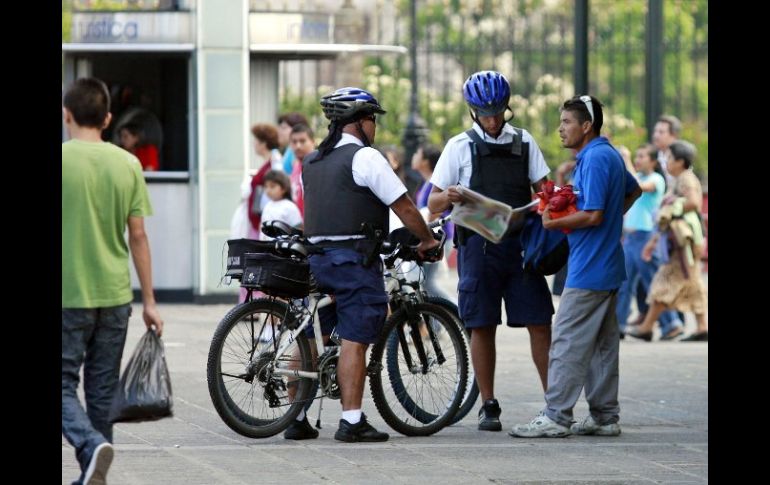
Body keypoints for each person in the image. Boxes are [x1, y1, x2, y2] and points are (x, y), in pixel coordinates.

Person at [301, 86, 440, 442]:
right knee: (356, 338)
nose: (375, 126)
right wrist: (426, 239)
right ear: (360, 121)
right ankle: (351, 420)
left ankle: (296, 417)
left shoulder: (313, 159)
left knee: (308, 334)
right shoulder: (365, 157)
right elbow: (404, 205)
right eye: (372, 118)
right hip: (352, 260)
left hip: (315, 258)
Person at [428, 70, 554, 432]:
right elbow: (433, 202)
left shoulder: (525, 142)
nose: (494, 120)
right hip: (477, 250)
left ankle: (554, 402)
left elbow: (544, 190)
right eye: (486, 113)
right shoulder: (458, 146)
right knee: (481, 325)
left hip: (521, 248)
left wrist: (544, 203)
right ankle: (488, 404)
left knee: (540, 322)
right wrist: (449, 195)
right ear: (472, 111)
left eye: (499, 111)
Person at [509, 95, 641, 438]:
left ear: (587, 126)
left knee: (566, 341)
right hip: (607, 265)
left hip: (589, 269)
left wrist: (553, 223)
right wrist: (611, 219)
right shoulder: (608, 154)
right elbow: (633, 191)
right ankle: (604, 416)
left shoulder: (596, 158)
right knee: (601, 345)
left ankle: (556, 415)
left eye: (567, 122)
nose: (560, 128)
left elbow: (594, 214)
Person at [62, 78, 164, 484]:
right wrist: (151, 301)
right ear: (107, 118)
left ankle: (89, 446)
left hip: (68, 295)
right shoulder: (128, 163)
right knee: (101, 393)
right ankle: (94, 474)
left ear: (66, 114)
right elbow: (137, 235)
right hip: (115, 296)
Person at [627, 141, 708, 342]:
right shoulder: (680, 179)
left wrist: (671, 206)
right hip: (682, 241)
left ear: (680, 162)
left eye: (670, 158)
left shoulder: (686, 180)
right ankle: (701, 326)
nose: (666, 162)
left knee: (663, 281)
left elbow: (694, 203)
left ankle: (647, 327)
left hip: (683, 243)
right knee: (693, 282)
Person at [616, 144, 683, 340]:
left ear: (653, 161)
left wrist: (626, 159)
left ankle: (671, 324)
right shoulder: (642, 177)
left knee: (653, 283)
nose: (638, 159)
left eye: (642, 156)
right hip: (630, 238)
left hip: (646, 237)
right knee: (624, 284)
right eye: (636, 156)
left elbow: (637, 186)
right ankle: (618, 325)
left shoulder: (656, 179)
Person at [258, 170, 303, 241]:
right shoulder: (267, 205)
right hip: (266, 247)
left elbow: (298, 229)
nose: (268, 190)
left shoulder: (289, 206)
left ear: (284, 188)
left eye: (272, 186)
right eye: (266, 186)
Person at [288, 123, 316, 217]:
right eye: (294, 142)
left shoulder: (319, 166)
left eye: (302, 141)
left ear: (313, 142)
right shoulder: (296, 167)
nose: (298, 146)